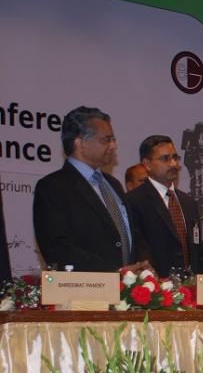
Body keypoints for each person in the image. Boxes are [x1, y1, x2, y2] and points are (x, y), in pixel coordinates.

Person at [33, 106, 150, 273]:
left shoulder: (114, 185)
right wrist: (114, 272)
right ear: (80, 143)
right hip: (83, 294)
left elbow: (131, 236)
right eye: (106, 140)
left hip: (125, 293)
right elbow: (57, 249)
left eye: (113, 139)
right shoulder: (53, 187)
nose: (113, 146)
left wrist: (141, 266)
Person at [126, 135, 203, 278]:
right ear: (147, 164)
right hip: (156, 291)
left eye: (175, 157)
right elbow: (139, 250)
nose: (173, 164)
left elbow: (198, 251)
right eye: (165, 159)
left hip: (191, 290)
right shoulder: (134, 201)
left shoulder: (188, 203)